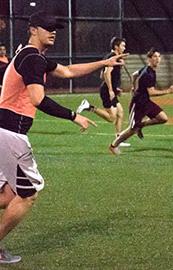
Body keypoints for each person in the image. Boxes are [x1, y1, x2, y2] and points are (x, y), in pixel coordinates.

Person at [0, 11, 125, 263]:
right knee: (30, 192)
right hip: (10, 132)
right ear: (33, 29)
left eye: (55, 27)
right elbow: (38, 99)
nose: (53, 31)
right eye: (48, 27)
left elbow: (68, 71)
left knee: (9, 195)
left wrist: (103, 63)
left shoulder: (31, 56)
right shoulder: (32, 58)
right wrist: (73, 115)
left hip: (5, 130)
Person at [109, 48, 173, 155]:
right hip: (138, 104)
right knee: (132, 129)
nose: (158, 59)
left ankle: (140, 125)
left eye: (159, 56)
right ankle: (113, 145)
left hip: (146, 102)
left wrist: (133, 86)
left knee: (163, 118)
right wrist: (169, 91)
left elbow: (134, 75)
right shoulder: (148, 74)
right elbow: (151, 92)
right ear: (149, 59)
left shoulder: (148, 70)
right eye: (155, 56)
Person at [76, 37, 131, 146]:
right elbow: (106, 74)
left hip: (111, 90)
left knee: (120, 113)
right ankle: (88, 106)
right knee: (112, 118)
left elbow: (102, 75)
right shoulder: (111, 57)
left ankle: (118, 139)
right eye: (123, 46)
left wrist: (115, 89)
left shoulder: (113, 58)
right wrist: (110, 90)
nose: (124, 48)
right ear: (116, 46)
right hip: (106, 91)